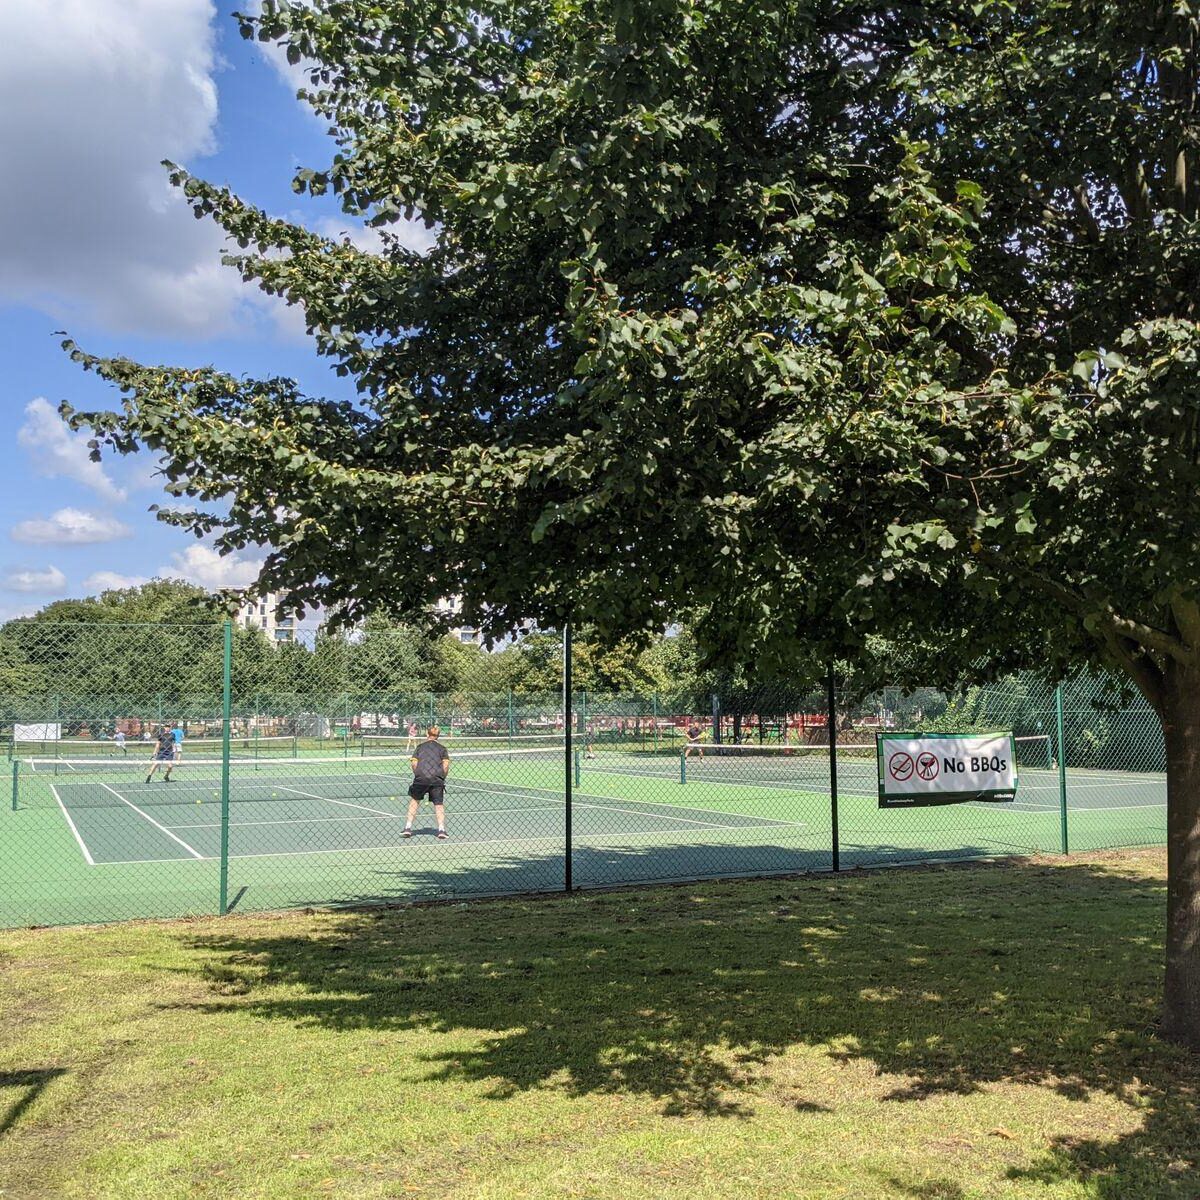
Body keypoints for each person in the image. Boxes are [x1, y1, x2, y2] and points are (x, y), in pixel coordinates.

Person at [403, 726, 450, 839]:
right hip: (437, 779)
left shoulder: (420, 747)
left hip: (421, 779)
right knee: (438, 805)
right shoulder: (442, 749)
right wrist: (442, 777)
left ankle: (408, 828)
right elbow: (446, 765)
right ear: (438, 736)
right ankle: (441, 830)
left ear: (427, 734)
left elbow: (414, 764)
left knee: (414, 801)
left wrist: (418, 774)